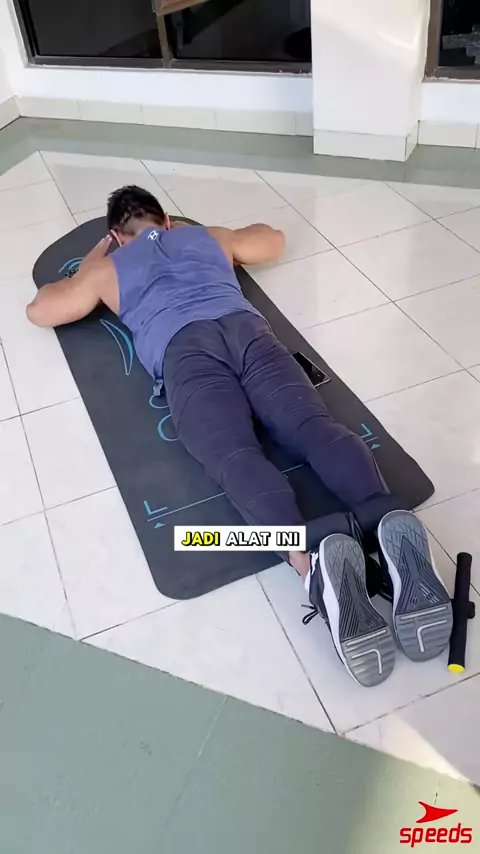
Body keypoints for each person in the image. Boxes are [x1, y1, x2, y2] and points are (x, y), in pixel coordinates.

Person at [27, 185, 452, 686]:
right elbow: (272, 240)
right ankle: (385, 518)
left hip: (186, 352)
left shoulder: (107, 267)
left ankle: (309, 563)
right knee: (314, 427)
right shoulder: (207, 237)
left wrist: (94, 260)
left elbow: (42, 310)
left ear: (118, 235)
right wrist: (204, 236)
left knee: (235, 456)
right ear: (166, 221)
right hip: (250, 334)